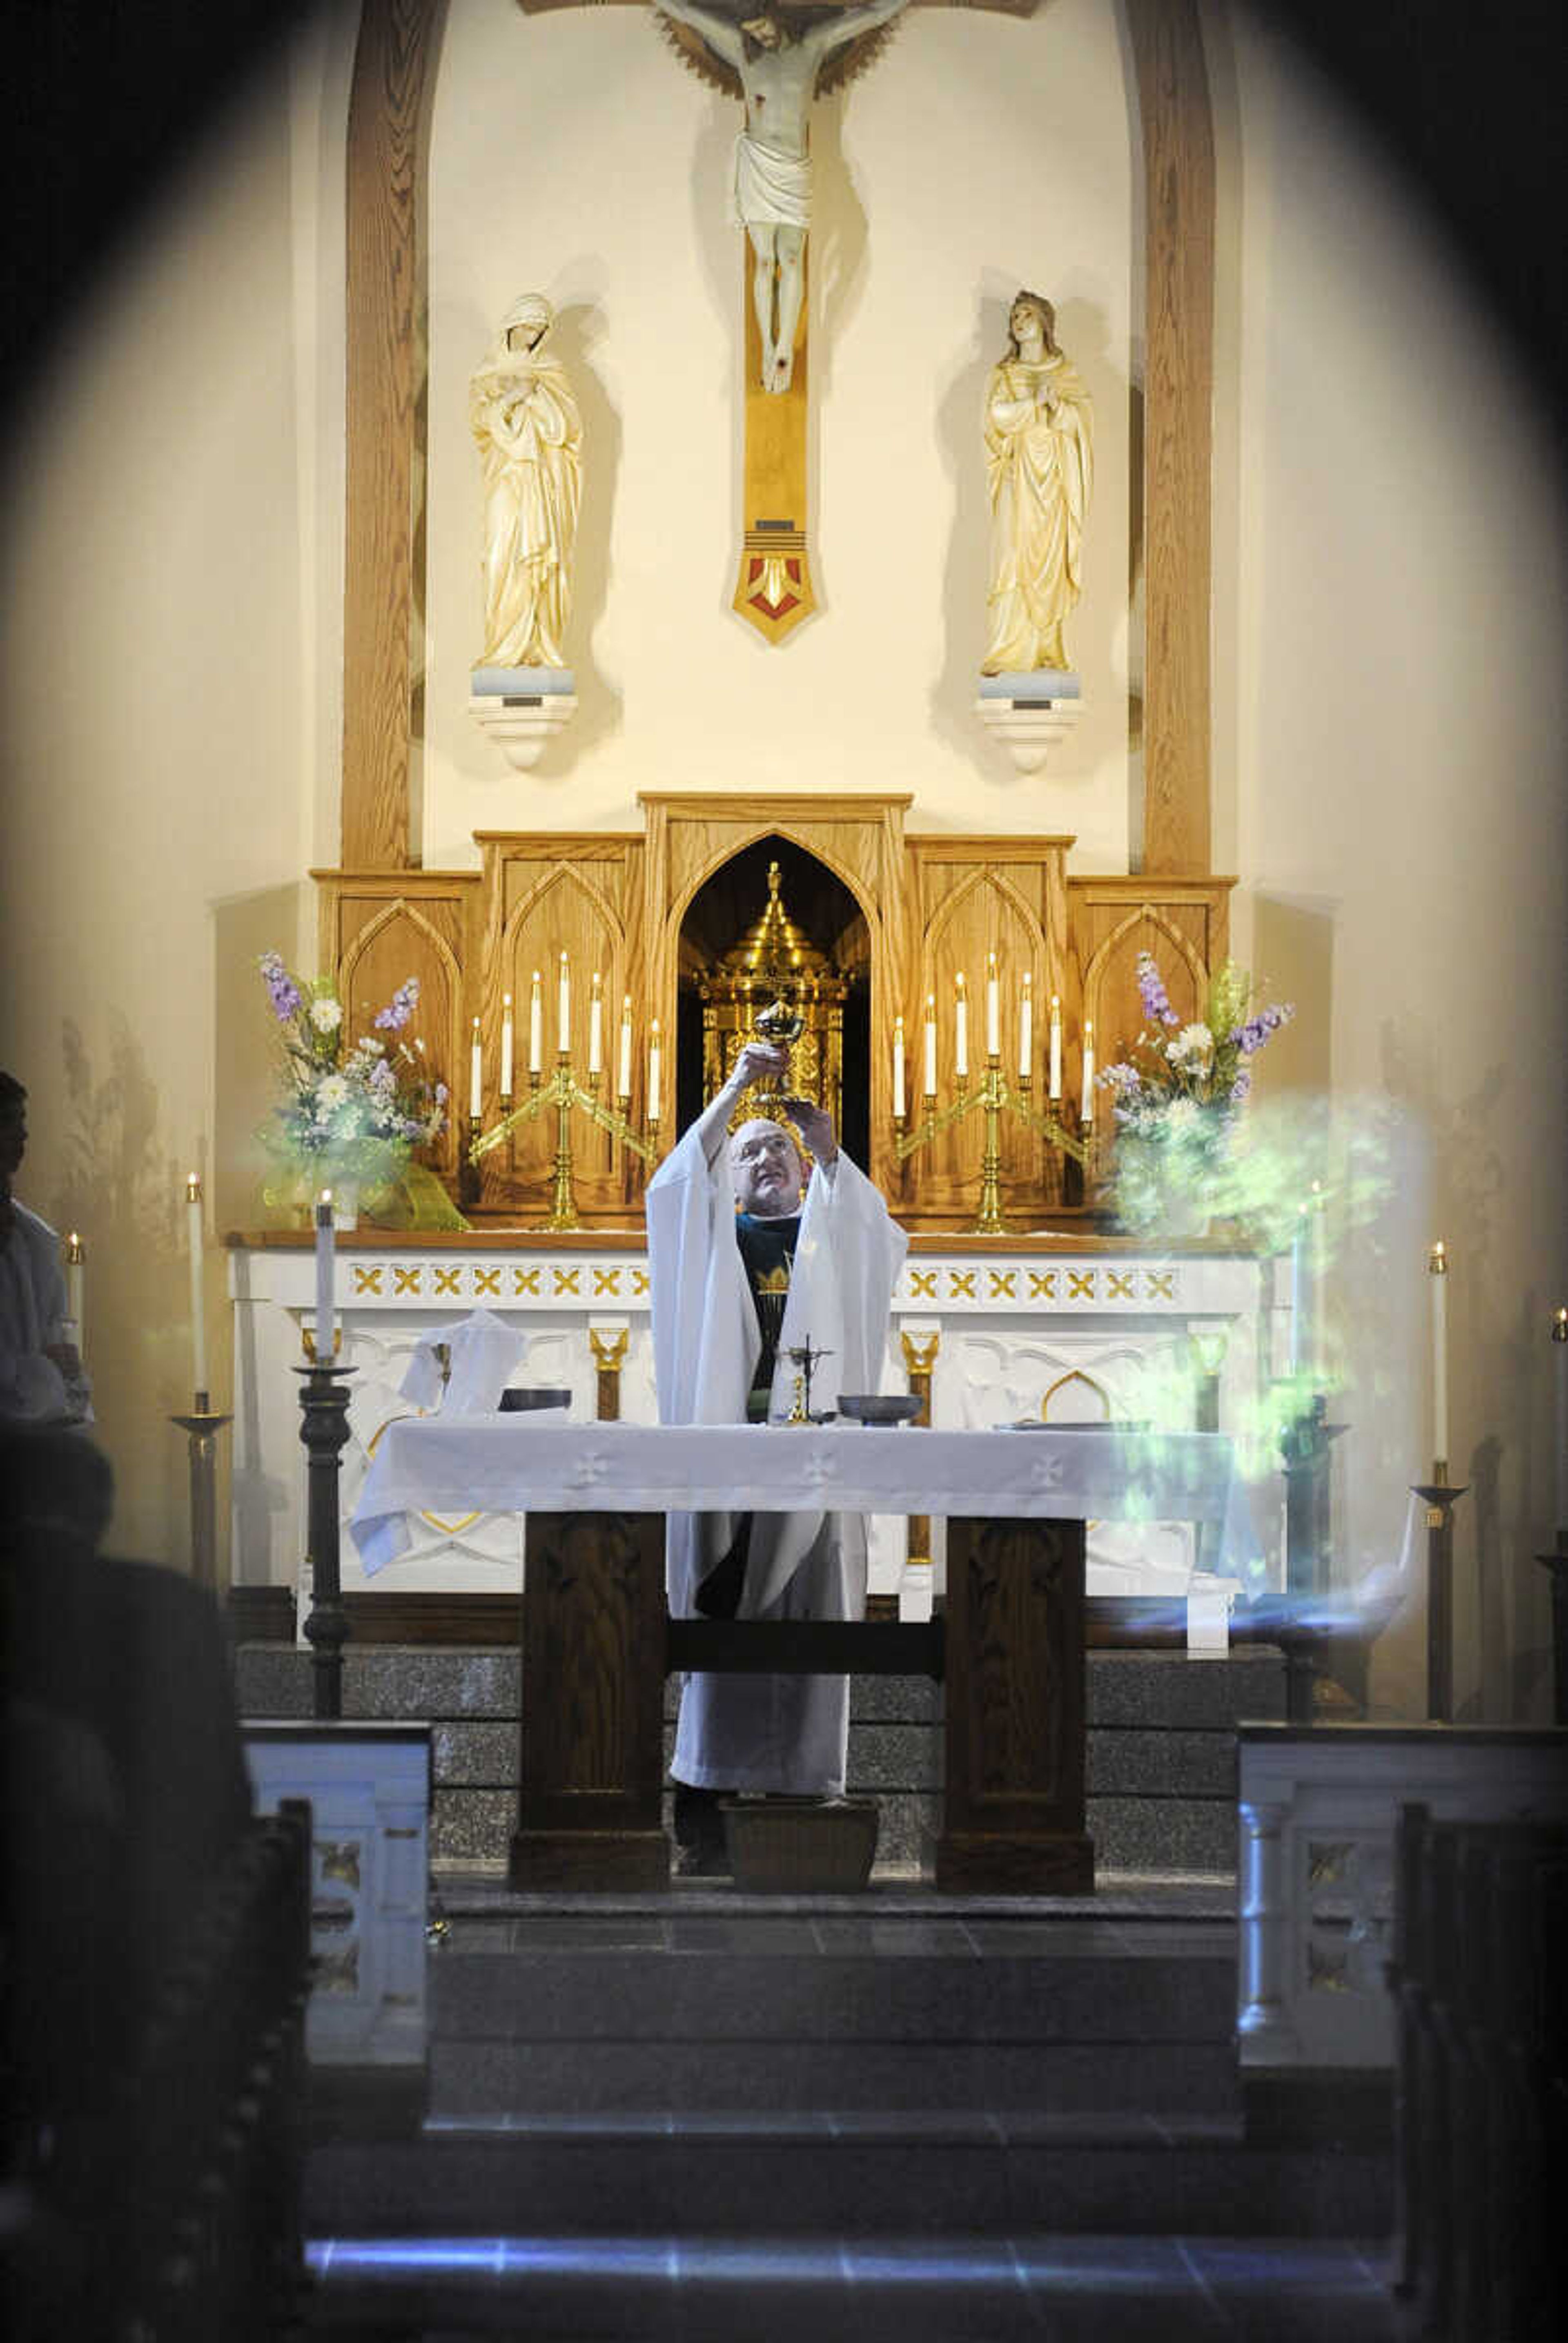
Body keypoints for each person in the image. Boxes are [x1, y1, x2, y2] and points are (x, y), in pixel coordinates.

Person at [646, 1037, 907, 1873]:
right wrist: (734, 1091)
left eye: (778, 1150)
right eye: (748, 1151)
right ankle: (710, 1804)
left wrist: (831, 1147)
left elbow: (876, 1230)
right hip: (730, 1458)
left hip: (819, 1459)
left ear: (802, 1170)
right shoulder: (713, 1241)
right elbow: (674, 1185)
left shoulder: (835, 1233)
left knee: (814, 1615)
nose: (763, 1161)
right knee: (724, 1625)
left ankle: (805, 1800)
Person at [657, 2, 912, 393]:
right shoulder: (743, 52)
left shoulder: (812, 48)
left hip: (793, 168)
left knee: (791, 257)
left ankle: (784, 347)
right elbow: (691, 16)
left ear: (778, 17)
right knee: (764, 260)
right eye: (753, 32)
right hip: (759, 164)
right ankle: (766, 348)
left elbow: (872, 17)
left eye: (762, 28)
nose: (758, 36)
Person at [980, 290, 1094, 676]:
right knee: (1011, 555)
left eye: (1027, 313)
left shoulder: (1066, 373)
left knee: (1050, 560)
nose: (1019, 320)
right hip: (1018, 478)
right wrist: (1032, 406)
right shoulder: (1005, 375)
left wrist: (1057, 407)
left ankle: (1048, 649)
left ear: (1044, 323)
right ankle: (1010, 651)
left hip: (1055, 485)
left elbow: (1082, 426)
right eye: (1014, 315)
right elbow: (996, 417)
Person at [469, 293, 584, 670]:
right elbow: (482, 423)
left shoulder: (549, 372)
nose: (532, 336)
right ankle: (502, 648)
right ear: (512, 324)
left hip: (539, 483)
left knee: (539, 563)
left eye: (539, 330)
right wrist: (510, 399)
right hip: (506, 478)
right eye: (528, 326)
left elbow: (565, 429)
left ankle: (536, 645)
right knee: (501, 555)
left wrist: (535, 397)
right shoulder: (489, 372)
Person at [0, 1070, 91, 1423]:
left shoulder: (32, 1239)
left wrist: (63, 1373)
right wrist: (44, 1370)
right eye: (9, 1122)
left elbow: (58, 1346)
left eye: (22, 1122)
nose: (23, 1134)